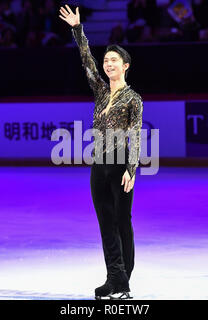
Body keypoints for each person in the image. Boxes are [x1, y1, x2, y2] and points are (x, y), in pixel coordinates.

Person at [58, 4, 144, 300]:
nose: (108, 64)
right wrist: (77, 30)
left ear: (125, 66)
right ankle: (114, 279)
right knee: (106, 223)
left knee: (123, 221)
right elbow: (86, 61)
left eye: (114, 60)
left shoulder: (134, 99)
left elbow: (135, 134)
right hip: (99, 164)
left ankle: (124, 281)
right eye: (106, 60)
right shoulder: (100, 91)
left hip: (121, 163)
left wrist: (132, 169)